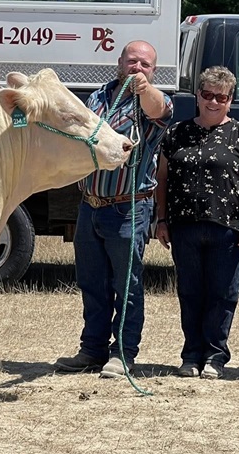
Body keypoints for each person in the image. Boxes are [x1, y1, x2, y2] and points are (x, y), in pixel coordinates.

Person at [54, 40, 173, 378]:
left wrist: (145, 88)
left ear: (153, 70)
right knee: (92, 283)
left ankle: (122, 354)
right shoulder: (97, 98)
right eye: (132, 61)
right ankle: (91, 349)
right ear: (119, 61)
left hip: (128, 209)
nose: (137, 68)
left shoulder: (154, 101)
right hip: (90, 206)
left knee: (127, 285)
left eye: (145, 64)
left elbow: (157, 108)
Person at [155, 66, 239, 380]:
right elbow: (161, 180)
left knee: (222, 294)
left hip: (228, 228)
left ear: (231, 100)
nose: (213, 102)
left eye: (221, 96)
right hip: (184, 226)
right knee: (190, 293)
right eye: (207, 94)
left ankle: (215, 358)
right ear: (197, 96)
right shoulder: (176, 133)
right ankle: (191, 355)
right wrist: (161, 220)